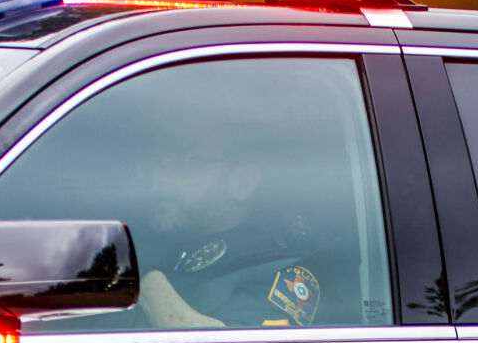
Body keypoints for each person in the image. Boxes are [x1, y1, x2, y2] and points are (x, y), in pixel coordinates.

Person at [134, 132, 333, 330]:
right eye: (159, 162)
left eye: (188, 160)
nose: (159, 176)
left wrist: (138, 267)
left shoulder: (281, 266)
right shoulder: (166, 246)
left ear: (242, 182)